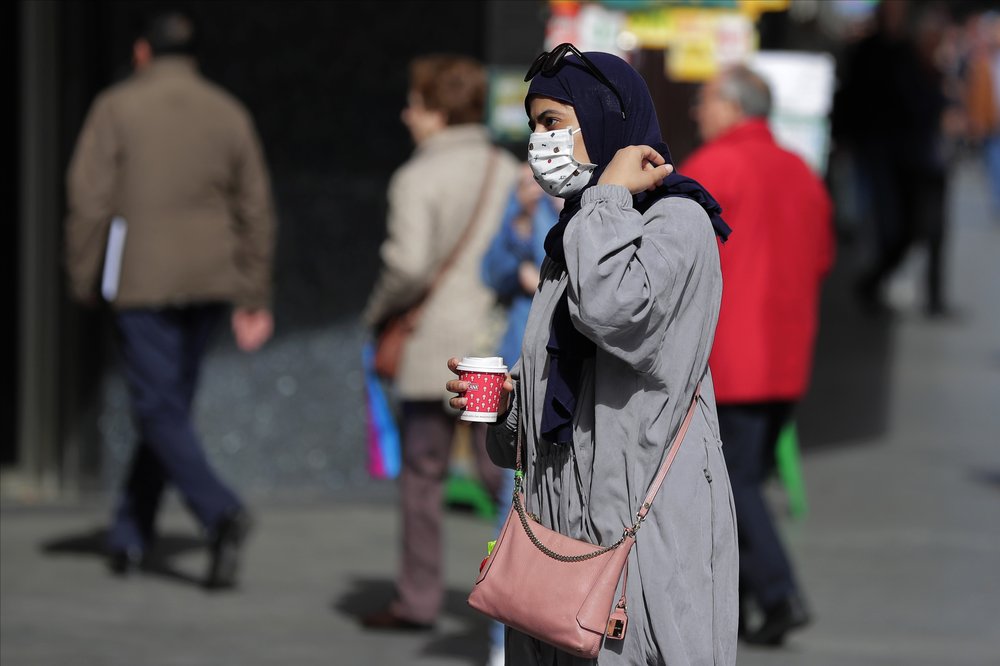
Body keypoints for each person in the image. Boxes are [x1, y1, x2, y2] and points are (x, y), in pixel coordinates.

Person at [448, 44, 738, 664]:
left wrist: (606, 198)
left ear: (606, 118)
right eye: (533, 125)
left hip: (639, 542)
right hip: (558, 542)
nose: (539, 142)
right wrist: (505, 407)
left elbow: (616, 317)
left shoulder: (678, 225)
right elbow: (536, 435)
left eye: (553, 122)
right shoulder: (575, 239)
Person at [64, 10, 276, 589]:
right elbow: (255, 207)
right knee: (167, 410)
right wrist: (254, 291)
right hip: (212, 279)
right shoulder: (227, 111)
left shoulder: (116, 107)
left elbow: (88, 198)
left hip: (140, 280)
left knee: (158, 410)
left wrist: (84, 276)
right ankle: (129, 534)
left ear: (141, 54)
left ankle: (219, 511)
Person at [360, 54, 519, 631]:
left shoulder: (417, 176)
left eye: (416, 104)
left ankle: (418, 599)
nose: (408, 114)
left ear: (436, 111)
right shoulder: (507, 168)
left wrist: (377, 312)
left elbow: (405, 265)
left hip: (433, 349)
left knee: (424, 471)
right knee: (499, 468)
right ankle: (528, 586)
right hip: (490, 346)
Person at [681, 64, 834, 645]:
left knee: (732, 485)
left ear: (732, 107)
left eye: (705, 99)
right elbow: (822, 256)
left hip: (731, 358)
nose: (697, 111)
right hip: (785, 357)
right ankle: (739, 608)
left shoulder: (716, 167)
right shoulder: (799, 170)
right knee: (743, 480)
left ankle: (779, 593)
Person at [479, 164, 561, 666]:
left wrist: (544, 280)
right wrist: (522, 223)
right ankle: (500, 642)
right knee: (512, 506)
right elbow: (488, 272)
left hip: (559, 377)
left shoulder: (588, 207)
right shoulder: (525, 207)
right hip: (515, 370)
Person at [832, 0, 952, 316]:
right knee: (883, 219)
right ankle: (874, 278)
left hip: (905, 150)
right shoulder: (871, 51)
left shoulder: (909, 54)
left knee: (905, 223)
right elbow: (851, 95)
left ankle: (875, 279)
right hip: (877, 146)